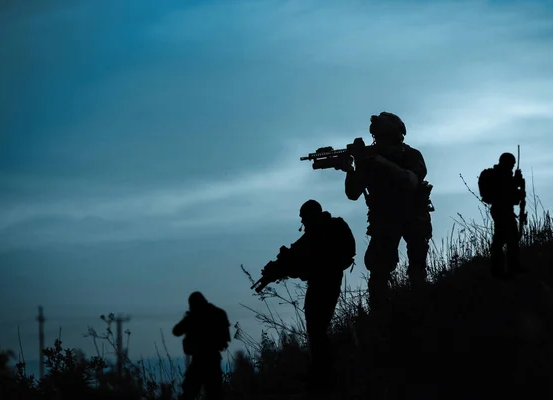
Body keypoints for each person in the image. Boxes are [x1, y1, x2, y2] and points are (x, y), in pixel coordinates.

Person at [253, 199, 356, 393]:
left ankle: (323, 373)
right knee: (317, 328)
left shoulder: (322, 232)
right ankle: (322, 370)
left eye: (304, 218)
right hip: (324, 281)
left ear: (311, 216)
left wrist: (284, 266)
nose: (304, 223)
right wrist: (280, 267)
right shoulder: (320, 232)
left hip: (325, 282)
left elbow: (302, 260)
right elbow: (296, 261)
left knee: (317, 328)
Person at [341, 112, 434, 310]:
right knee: (379, 272)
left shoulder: (411, 155)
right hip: (384, 219)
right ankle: (381, 315)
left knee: (417, 268)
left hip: (413, 215)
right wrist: (352, 169)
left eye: (385, 136)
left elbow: (411, 180)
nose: (380, 141)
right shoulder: (369, 161)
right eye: (378, 137)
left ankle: (422, 307)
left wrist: (382, 162)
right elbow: (352, 193)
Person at [172, 291, 231, 400]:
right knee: (214, 393)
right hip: (213, 359)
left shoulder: (195, 316)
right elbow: (226, 340)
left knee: (190, 392)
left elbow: (176, 331)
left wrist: (188, 318)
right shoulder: (219, 313)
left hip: (200, 360)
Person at [478, 152, 527, 279]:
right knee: (508, 239)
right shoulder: (501, 176)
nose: (512, 167)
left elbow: (512, 196)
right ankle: (506, 269)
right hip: (502, 210)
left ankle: (502, 269)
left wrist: (516, 184)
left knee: (503, 239)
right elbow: (507, 193)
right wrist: (516, 183)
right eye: (511, 164)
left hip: (501, 210)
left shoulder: (501, 175)